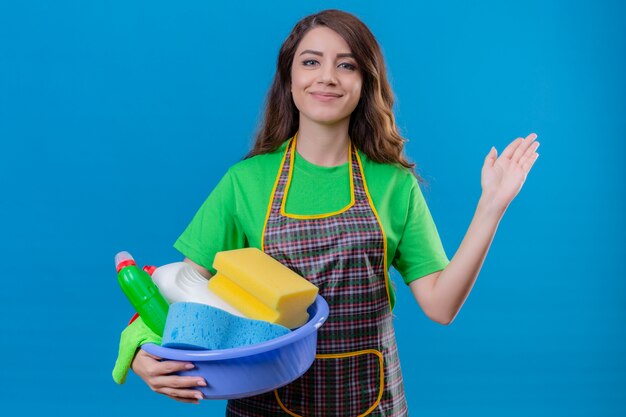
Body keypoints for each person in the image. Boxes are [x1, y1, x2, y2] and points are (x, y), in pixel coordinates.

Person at [113, 9, 540, 416]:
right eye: (311, 61)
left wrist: (491, 207)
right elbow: (179, 290)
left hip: (372, 404)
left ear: (365, 82)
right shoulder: (246, 182)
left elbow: (441, 306)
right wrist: (138, 350)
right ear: (291, 78)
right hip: (265, 406)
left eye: (347, 65)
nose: (327, 77)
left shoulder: (393, 184)